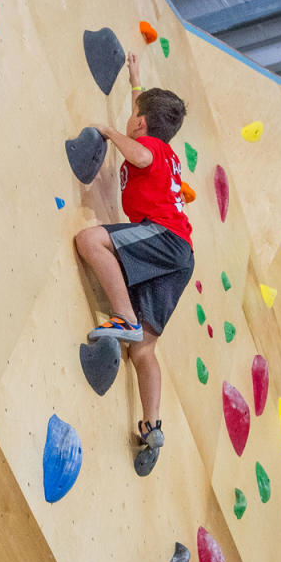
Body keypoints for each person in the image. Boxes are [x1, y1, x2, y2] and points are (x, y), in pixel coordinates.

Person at [73, 52, 192, 476]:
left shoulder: (151, 148)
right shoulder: (163, 146)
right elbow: (143, 124)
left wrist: (108, 132)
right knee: (143, 349)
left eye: (133, 116)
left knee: (90, 240)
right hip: (179, 256)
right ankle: (152, 427)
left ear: (139, 124)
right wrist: (135, 79)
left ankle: (123, 317)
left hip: (165, 236)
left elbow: (140, 155)